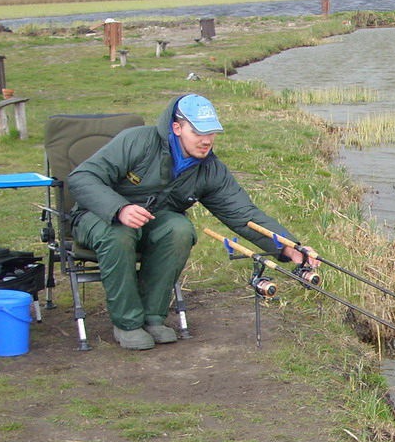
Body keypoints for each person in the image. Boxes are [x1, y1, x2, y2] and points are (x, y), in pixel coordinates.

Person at [66, 93, 316, 350]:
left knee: (179, 229)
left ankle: (153, 318)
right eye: (198, 132)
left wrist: (289, 247)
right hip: (96, 216)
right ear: (177, 127)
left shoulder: (210, 169)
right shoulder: (137, 141)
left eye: (211, 132)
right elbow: (82, 178)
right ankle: (127, 324)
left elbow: (244, 214)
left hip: (152, 221)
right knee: (119, 235)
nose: (206, 140)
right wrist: (119, 208)